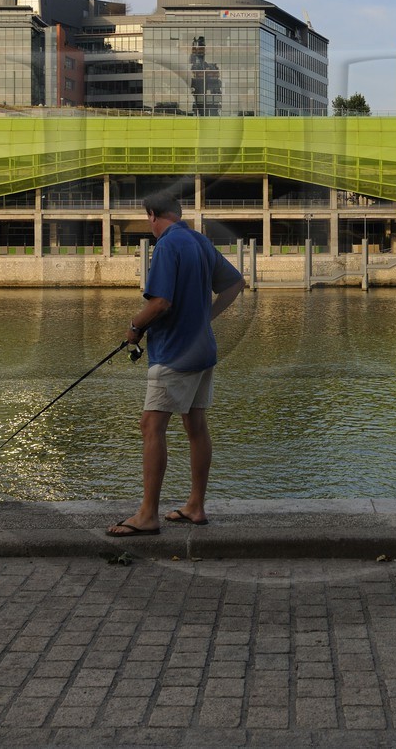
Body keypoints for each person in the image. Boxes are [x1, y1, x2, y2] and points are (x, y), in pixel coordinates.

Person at [108, 190, 245, 536]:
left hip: (174, 353)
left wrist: (134, 328)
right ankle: (196, 506)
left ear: (153, 215)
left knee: (150, 427)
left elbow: (161, 303)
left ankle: (147, 515)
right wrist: (206, 317)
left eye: (148, 220)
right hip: (203, 351)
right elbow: (235, 283)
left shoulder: (167, 245)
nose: (149, 226)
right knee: (196, 425)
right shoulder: (198, 241)